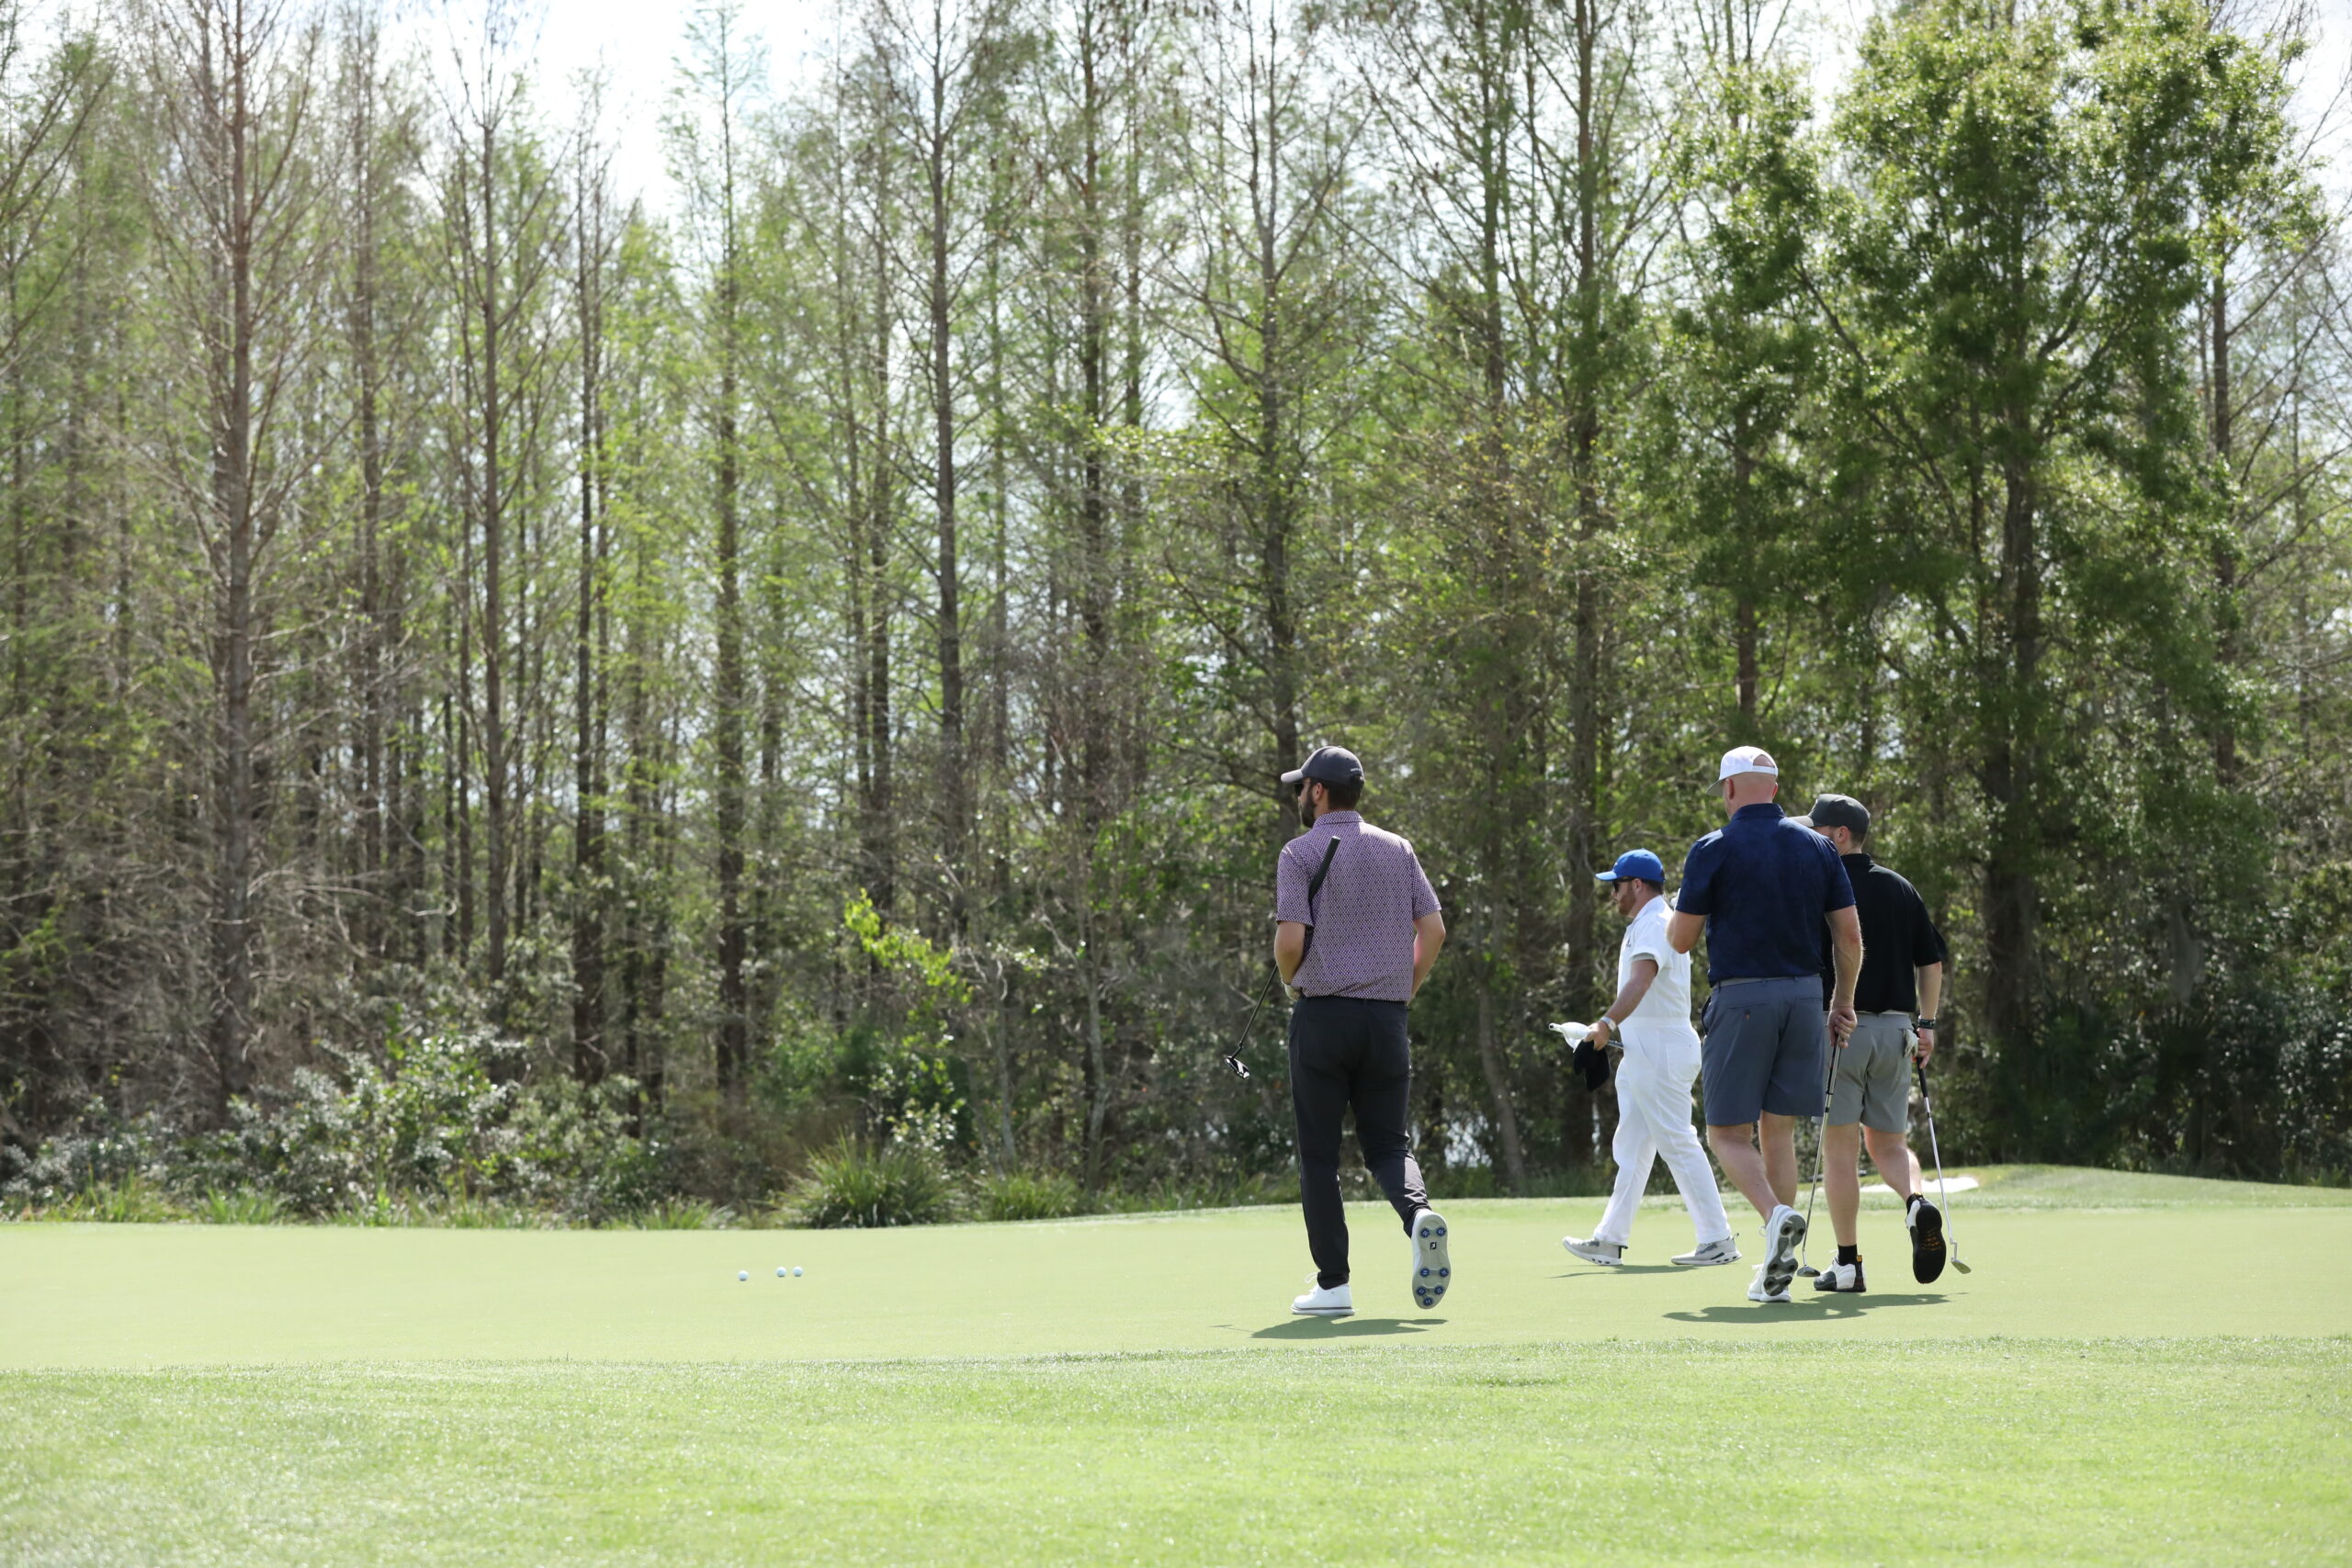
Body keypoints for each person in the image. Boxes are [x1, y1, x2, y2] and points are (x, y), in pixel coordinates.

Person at [1667, 746, 1863, 1304]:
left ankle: (1776, 1218)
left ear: (1729, 791)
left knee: (1726, 1134)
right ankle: (1778, 1264)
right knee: (1777, 1130)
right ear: (1775, 790)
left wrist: (1685, 909)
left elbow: (1681, 941)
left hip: (1742, 998)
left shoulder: (1712, 848)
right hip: (1806, 999)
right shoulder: (1819, 847)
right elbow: (1849, 937)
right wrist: (1841, 1003)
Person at [1274, 746, 1453, 1318]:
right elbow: (1434, 929)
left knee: (1320, 1158)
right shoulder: (1398, 849)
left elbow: (1289, 942)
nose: (1299, 795)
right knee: (1388, 1145)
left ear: (1319, 792)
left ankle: (1334, 1285)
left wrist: (1289, 983)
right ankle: (1418, 1214)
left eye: (1302, 786)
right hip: (1386, 1020)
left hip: (1323, 1017)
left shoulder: (1299, 852)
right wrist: (1407, 987)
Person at [1561, 851, 1738, 1269]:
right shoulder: (1648, 921)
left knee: (1677, 1142)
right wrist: (1601, 1028)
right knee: (1634, 1149)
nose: (1613, 894)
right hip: (1647, 1049)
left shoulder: (1656, 922)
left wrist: (1605, 1022)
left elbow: (1643, 979)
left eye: (1616, 886)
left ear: (1637, 885)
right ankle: (1609, 1239)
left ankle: (1717, 1238)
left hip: (1660, 1049)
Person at [1802, 794, 1951, 1290]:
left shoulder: (1821, 884)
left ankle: (1848, 1264)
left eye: (1818, 829)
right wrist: (1926, 1025)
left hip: (1842, 1029)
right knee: (1889, 1143)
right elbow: (1931, 962)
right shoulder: (1899, 886)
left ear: (1839, 834)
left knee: (1841, 1151)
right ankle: (1917, 1203)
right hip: (1897, 1033)